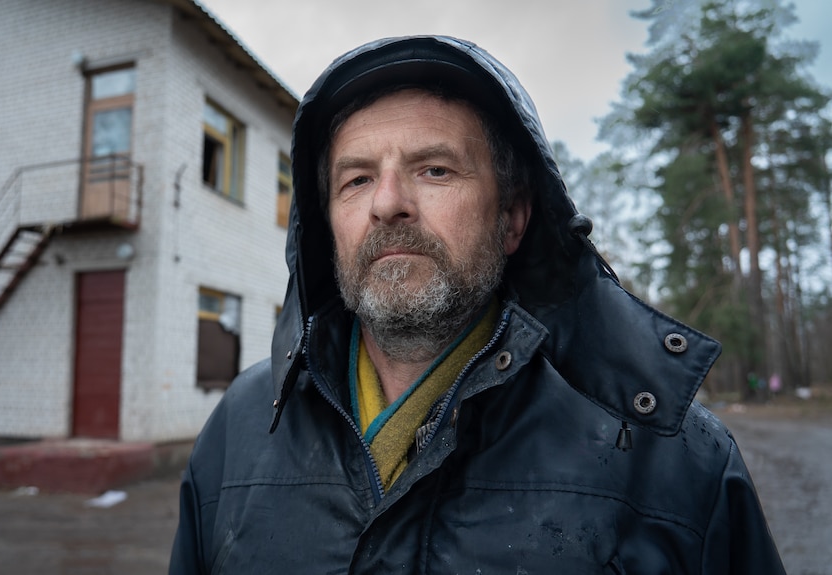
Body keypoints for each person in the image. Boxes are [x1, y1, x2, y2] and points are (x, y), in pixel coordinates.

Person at [170, 36, 785, 574]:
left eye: (435, 169)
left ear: (513, 219)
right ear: (326, 227)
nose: (387, 203)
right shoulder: (236, 432)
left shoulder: (673, 458)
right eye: (356, 179)